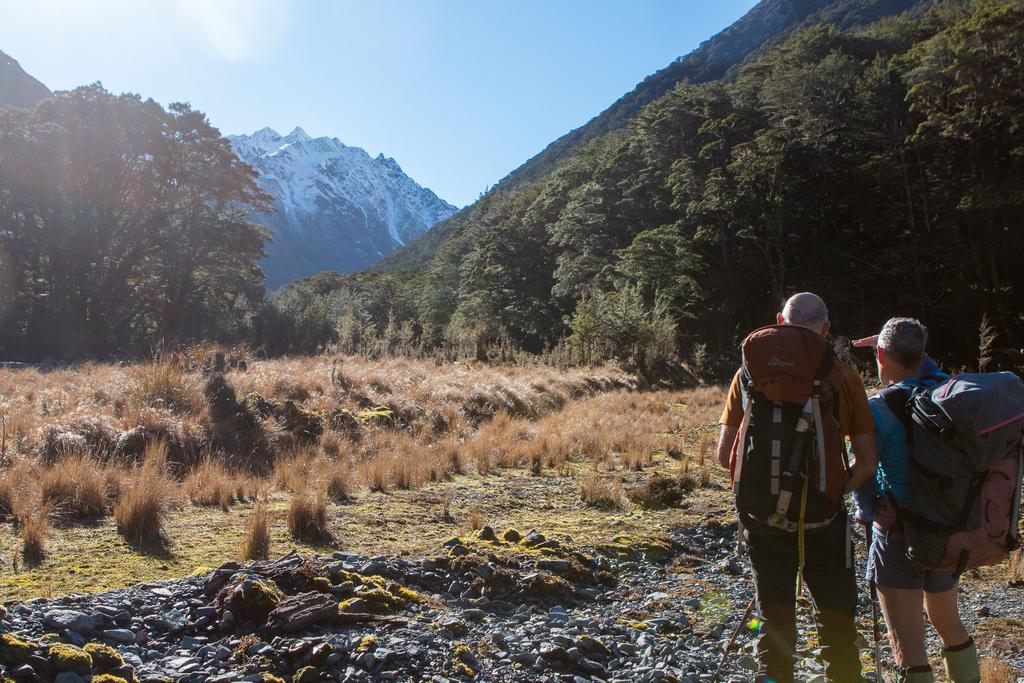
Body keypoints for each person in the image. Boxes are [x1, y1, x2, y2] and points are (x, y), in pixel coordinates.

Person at [716, 292, 879, 683]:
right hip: (825, 520)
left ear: (779, 320)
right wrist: (834, 489)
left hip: (763, 518)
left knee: (774, 623)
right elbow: (868, 461)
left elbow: (726, 456)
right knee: (837, 624)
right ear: (826, 329)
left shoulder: (749, 373)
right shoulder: (843, 375)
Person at [854, 318, 979, 683]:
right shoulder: (949, 391)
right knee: (950, 624)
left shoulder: (877, 407)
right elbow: (929, 368)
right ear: (922, 354)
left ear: (880, 355)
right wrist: (906, 348)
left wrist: (868, 511)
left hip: (899, 537)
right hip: (948, 530)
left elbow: (863, 470)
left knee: (908, 650)